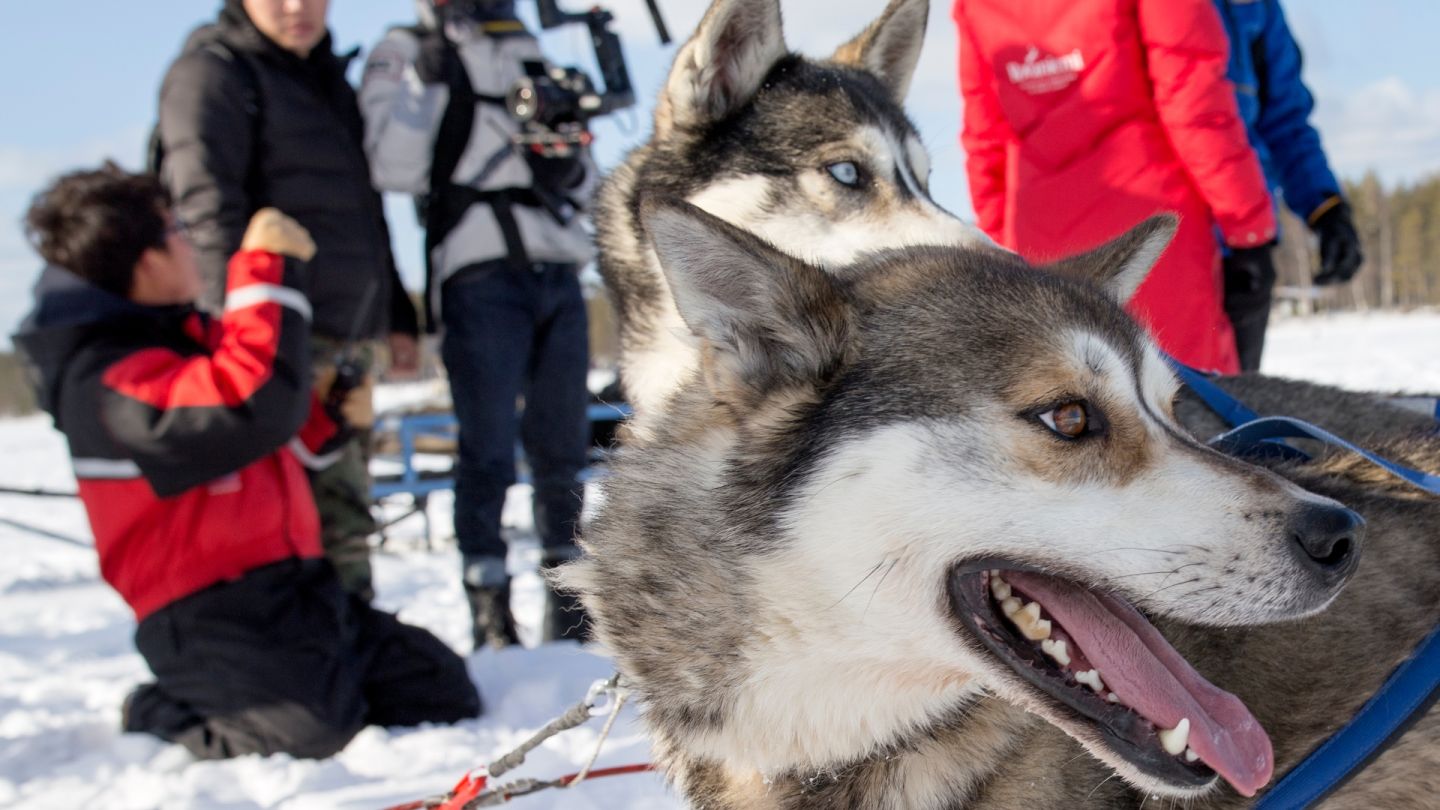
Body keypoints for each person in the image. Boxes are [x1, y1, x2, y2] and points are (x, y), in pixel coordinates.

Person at [12, 164, 480, 760]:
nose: (190, 243)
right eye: (175, 231)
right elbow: (248, 405)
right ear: (143, 261)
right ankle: (157, 709)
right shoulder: (106, 380)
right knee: (310, 735)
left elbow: (280, 439)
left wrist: (332, 411)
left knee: (437, 690)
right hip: (208, 614)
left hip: (297, 588)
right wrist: (266, 273)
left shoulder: (186, 338)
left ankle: (307, 688)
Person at [154, 0, 422, 601]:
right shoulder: (214, 74)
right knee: (289, 518)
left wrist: (398, 316)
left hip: (348, 339)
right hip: (275, 343)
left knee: (346, 513)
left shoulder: (330, 81)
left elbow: (368, 211)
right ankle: (312, 656)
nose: (297, 7)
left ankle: (350, 642)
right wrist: (238, 329)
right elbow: (204, 208)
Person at [359, 0, 596, 649]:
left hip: (558, 268)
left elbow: (582, 177)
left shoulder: (529, 47)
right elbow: (391, 163)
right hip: (477, 273)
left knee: (564, 453)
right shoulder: (408, 50)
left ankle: (570, 610)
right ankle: (490, 615)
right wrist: (434, 83)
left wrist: (566, 147)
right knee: (487, 451)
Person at [954, 0, 1278, 373]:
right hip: (1155, 243)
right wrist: (1248, 229)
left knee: (1077, 411)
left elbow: (986, 145)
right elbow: (1194, 105)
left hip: (1042, 256)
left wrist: (1001, 256)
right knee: (1190, 407)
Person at [1214, 0, 1364, 371]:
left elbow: (1286, 121)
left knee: (1230, 406)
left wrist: (1327, 211)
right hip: (1156, 239)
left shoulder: (1258, 10)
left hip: (1244, 251)